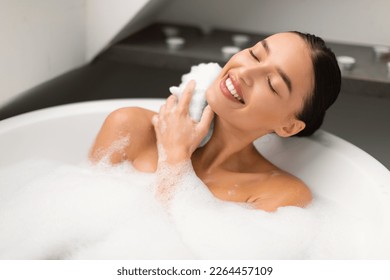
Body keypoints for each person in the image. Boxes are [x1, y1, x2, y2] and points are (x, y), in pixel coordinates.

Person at [89, 31, 341, 212]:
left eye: (272, 84)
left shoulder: (280, 194)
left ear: (288, 126)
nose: (244, 72)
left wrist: (174, 159)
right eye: (255, 55)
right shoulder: (129, 127)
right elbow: (89, 225)